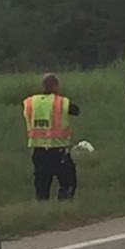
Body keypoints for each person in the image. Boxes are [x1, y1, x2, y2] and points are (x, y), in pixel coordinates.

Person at [23, 72, 81, 200]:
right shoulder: (61, 102)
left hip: (38, 150)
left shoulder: (30, 102)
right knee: (68, 181)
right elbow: (76, 111)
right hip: (58, 150)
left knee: (41, 183)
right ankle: (63, 205)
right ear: (55, 86)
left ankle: (42, 206)